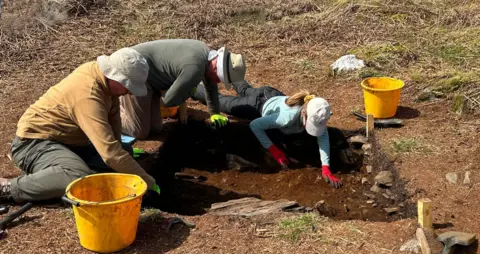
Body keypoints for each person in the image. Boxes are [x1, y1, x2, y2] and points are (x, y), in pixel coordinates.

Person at [0, 48, 161, 203]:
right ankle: (8, 188)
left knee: (124, 152)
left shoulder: (102, 79)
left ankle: (53, 175)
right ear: (115, 76)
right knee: (77, 175)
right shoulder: (88, 95)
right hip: (33, 144)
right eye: (128, 86)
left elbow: (114, 124)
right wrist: (147, 181)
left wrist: (121, 152)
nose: (130, 92)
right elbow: (110, 153)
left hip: (68, 143)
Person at [192, 80, 342, 188]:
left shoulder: (321, 110)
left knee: (244, 89)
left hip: (270, 95)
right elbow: (255, 125)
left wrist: (325, 166)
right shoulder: (285, 118)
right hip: (258, 104)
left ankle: (232, 75)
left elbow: (322, 136)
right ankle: (191, 89)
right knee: (222, 102)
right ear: (304, 112)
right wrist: (274, 150)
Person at [121, 39, 247, 139]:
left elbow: (211, 86)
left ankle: (125, 109)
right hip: (133, 69)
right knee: (139, 132)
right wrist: (188, 91)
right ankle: (109, 115)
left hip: (152, 80)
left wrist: (215, 113)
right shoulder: (194, 68)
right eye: (220, 78)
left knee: (155, 129)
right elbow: (167, 101)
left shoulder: (207, 55)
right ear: (216, 68)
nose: (218, 82)